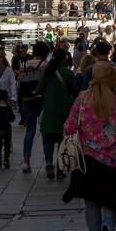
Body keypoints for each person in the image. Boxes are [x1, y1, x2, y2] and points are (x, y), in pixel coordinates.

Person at [62, 61, 116, 231]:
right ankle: (108, 226)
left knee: (91, 202)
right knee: (112, 197)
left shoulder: (81, 100)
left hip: (88, 159)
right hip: (114, 160)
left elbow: (69, 127)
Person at [37, 43, 78, 180]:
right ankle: (60, 169)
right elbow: (74, 92)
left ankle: (49, 162)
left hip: (49, 111)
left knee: (47, 139)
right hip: (64, 112)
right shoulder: (69, 73)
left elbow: (39, 90)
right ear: (64, 59)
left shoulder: (47, 72)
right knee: (62, 141)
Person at [18, 40, 48, 172]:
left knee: (30, 131)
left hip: (26, 100)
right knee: (45, 132)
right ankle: (48, 161)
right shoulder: (45, 65)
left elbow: (19, 85)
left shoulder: (24, 64)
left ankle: (26, 161)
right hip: (41, 100)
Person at [0, 89, 15, 168]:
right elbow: (12, 118)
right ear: (7, 98)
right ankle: (6, 160)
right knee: (7, 145)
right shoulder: (8, 108)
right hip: (7, 129)